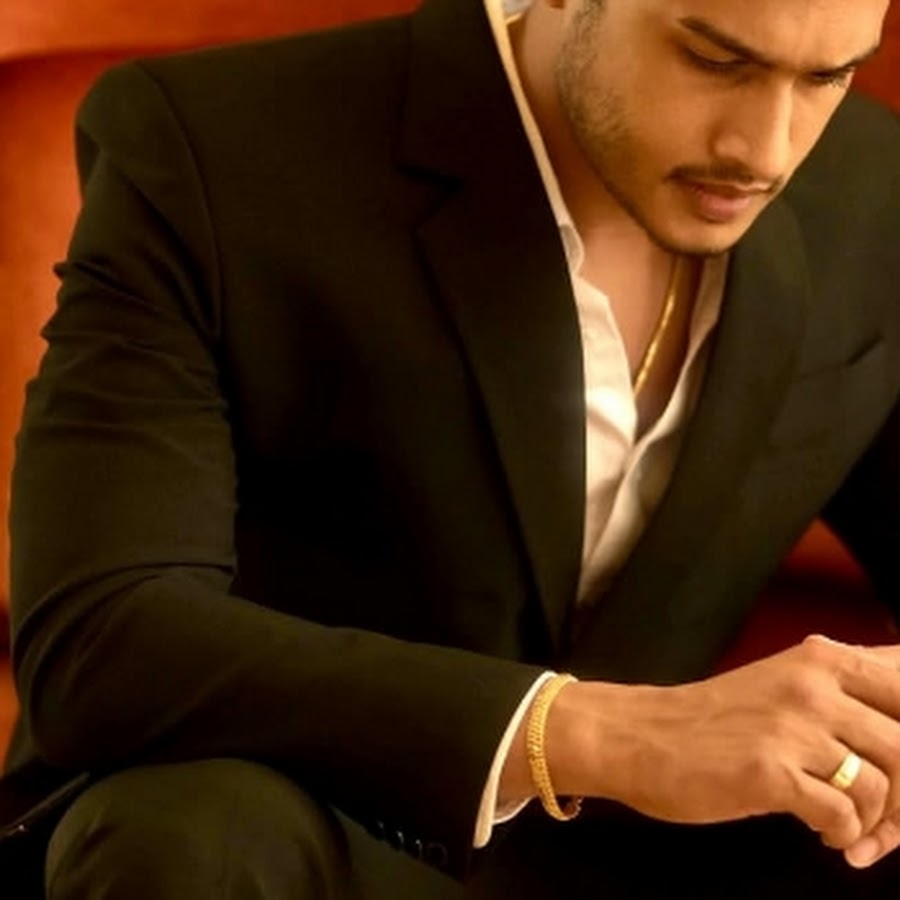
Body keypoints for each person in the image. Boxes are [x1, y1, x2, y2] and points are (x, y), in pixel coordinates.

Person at [2, 0, 900, 895]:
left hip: (642, 862)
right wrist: (594, 736)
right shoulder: (211, 146)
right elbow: (103, 640)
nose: (765, 151)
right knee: (186, 837)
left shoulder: (870, 190)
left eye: (828, 76)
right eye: (713, 59)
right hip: (303, 840)